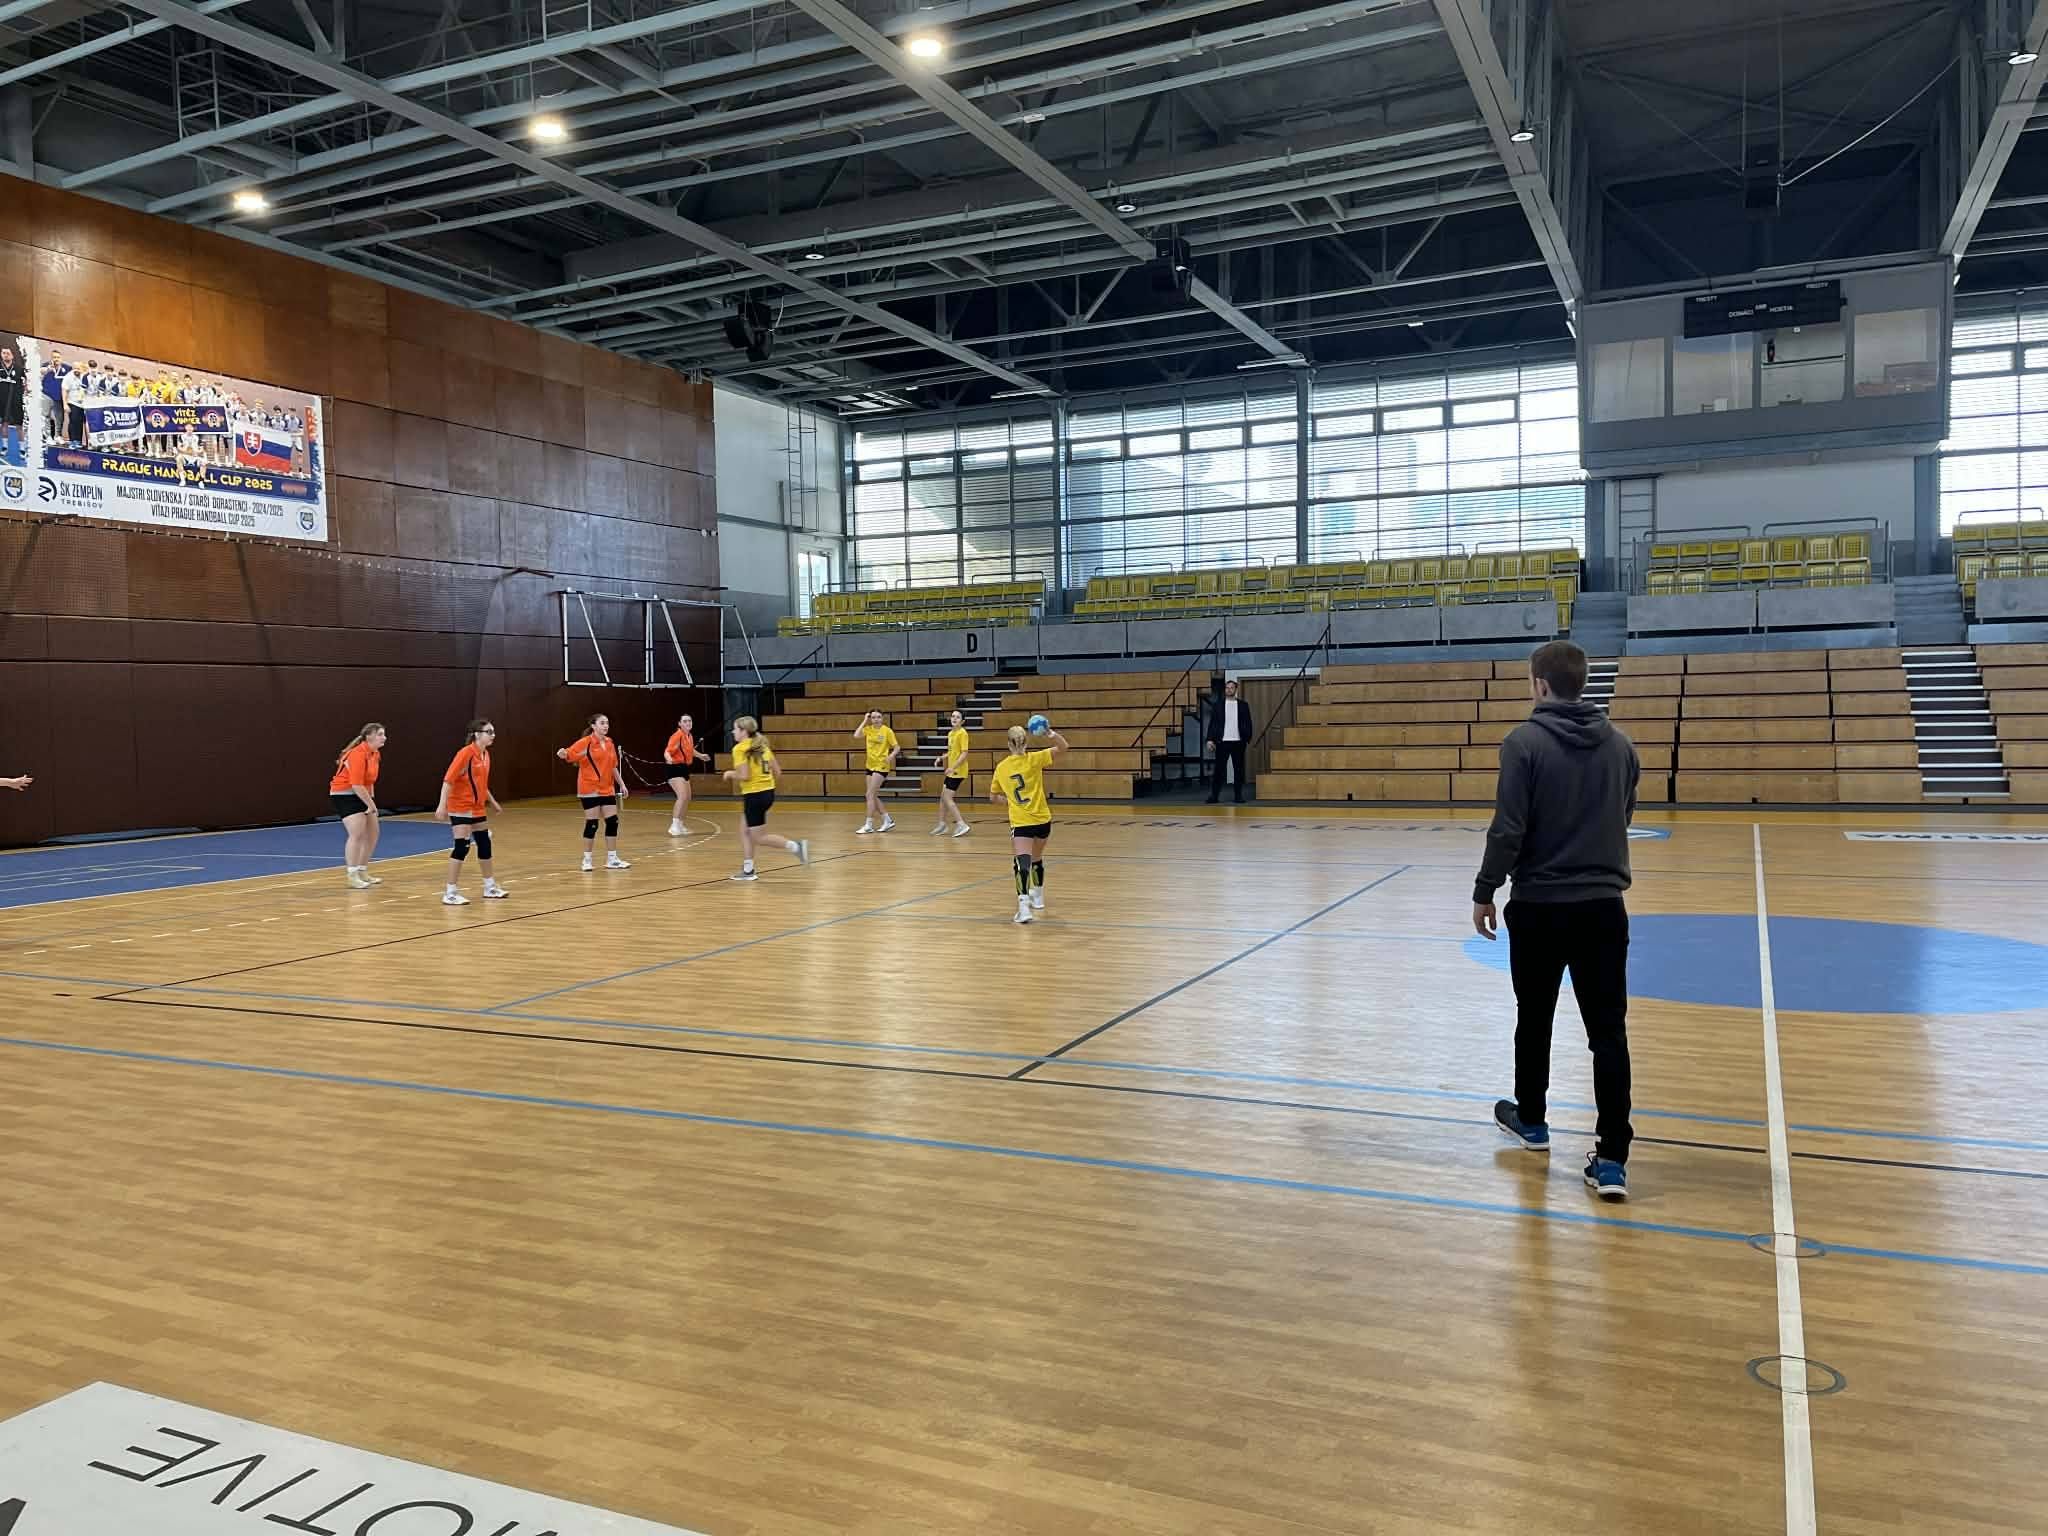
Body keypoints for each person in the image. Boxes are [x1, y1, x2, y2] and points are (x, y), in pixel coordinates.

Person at [1472, 640, 1641, 1202]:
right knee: (1608, 1032)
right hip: (1603, 909)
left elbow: (1508, 828)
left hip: (1540, 907)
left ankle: (1533, 1120)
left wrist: (1485, 889)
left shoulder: (1522, 744)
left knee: (1535, 1017)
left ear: (1540, 685)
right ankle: (1612, 1159)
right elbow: (1623, 814)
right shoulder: (1621, 746)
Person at [989, 722, 1068, 925]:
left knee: (1021, 862)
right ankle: (1038, 898)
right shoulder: (1035, 759)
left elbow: (993, 797)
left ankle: (1024, 908)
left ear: (1009, 744)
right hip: (1042, 819)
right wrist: (1049, 732)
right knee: (1037, 858)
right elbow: (1063, 747)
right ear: (1026, 743)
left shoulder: (1002, 767)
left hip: (1021, 822)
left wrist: (1009, 801)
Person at [721, 715, 810, 882]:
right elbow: (778, 772)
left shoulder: (740, 749)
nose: (733, 732)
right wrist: (764, 783)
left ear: (744, 731)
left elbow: (744, 775)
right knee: (745, 830)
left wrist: (730, 774)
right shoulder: (762, 746)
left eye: (735, 729)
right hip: (767, 793)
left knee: (759, 837)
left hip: (754, 795)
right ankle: (748, 870)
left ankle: (796, 847)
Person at [436, 719, 507, 905]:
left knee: (484, 843)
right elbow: (448, 781)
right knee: (462, 847)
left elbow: (481, 783)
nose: (493, 735)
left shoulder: (485, 755)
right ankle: (450, 892)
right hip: (460, 806)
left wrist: (493, 802)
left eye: (493, 732)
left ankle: (489, 887)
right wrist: (442, 806)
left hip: (477, 807)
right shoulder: (465, 754)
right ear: (477, 734)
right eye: (489, 732)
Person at [558, 713, 631, 871]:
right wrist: (563, 753)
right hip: (589, 788)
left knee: (612, 822)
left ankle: (612, 859)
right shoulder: (586, 742)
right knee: (592, 824)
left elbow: (613, 766)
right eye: (602, 723)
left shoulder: (610, 742)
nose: (606, 726)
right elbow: (569, 753)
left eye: (607, 723)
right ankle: (587, 860)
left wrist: (622, 784)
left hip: (607, 788)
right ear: (593, 726)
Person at [329, 722, 386, 890]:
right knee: (357, 834)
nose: (384, 737)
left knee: (373, 833)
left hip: (362, 793)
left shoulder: (375, 754)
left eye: (384, 734)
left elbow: (369, 781)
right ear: (369, 736)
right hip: (344, 794)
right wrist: (371, 805)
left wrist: (371, 803)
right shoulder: (357, 754)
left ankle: (362, 870)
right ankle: (352, 875)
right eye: (380, 734)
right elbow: (356, 784)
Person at [1205, 677, 1253, 804]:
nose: (1229, 690)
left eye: (1232, 688)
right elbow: (1213, 724)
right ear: (1225, 690)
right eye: (1227, 688)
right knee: (1219, 771)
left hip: (1238, 742)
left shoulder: (1243, 705)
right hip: (1222, 742)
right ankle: (1214, 796)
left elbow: (1248, 722)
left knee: (1239, 770)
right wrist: (1210, 739)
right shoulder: (1218, 705)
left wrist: (1247, 738)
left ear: (1236, 689)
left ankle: (1238, 796)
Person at [853, 708, 899, 834]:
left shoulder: (887, 731)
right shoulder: (868, 729)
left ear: (882, 718)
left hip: (881, 766)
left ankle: (868, 824)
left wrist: (891, 756)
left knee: (869, 795)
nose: (876, 719)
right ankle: (887, 820)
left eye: (878, 717)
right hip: (870, 765)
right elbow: (856, 735)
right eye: (873, 717)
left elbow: (897, 747)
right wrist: (864, 720)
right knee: (872, 795)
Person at [932, 707, 971, 837]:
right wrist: (942, 757)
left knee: (947, 798)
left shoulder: (962, 733)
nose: (954, 719)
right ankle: (942, 824)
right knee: (943, 797)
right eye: (953, 716)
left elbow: (964, 753)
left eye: (957, 717)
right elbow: (952, 751)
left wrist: (953, 767)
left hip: (958, 771)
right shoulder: (951, 733)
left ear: (962, 721)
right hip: (952, 771)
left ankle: (961, 824)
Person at [664, 712, 702, 836]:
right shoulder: (677, 735)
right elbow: (667, 751)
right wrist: (669, 759)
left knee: (688, 797)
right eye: (685, 721)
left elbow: (691, 750)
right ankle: (673, 826)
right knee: (682, 796)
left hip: (684, 768)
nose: (688, 723)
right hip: (674, 768)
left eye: (689, 721)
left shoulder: (689, 736)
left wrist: (701, 756)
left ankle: (680, 825)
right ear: (680, 724)